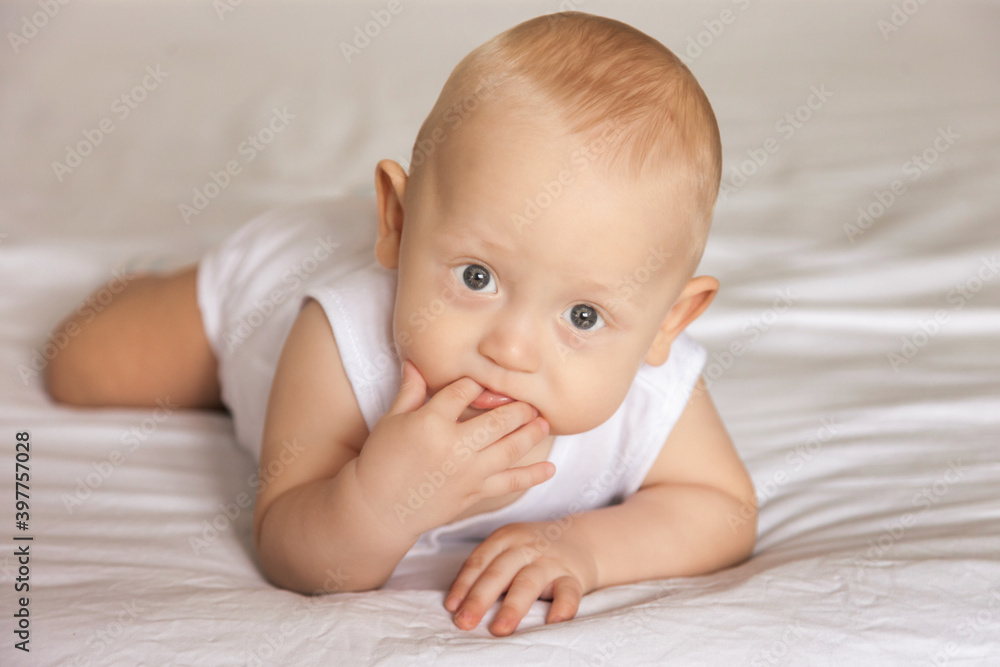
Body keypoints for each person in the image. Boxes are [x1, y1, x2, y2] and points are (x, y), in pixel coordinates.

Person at [44, 11, 757, 636]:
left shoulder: (651, 386)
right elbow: (292, 548)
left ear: (670, 321)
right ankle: (156, 281)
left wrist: (587, 549)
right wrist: (379, 502)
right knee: (81, 366)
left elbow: (721, 509)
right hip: (265, 290)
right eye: (476, 276)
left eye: (582, 314)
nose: (509, 346)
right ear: (399, 223)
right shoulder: (340, 337)